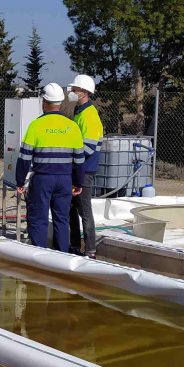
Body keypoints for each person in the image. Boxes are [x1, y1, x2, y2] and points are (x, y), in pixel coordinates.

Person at [15, 83, 85, 252]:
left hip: (42, 179)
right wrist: (78, 183)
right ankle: (62, 256)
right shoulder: (72, 127)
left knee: (39, 219)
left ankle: (40, 257)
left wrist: (20, 181)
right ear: (60, 103)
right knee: (62, 219)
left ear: (44, 102)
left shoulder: (36, 125)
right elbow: (79, 160)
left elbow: (24, 157)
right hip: (65, 179)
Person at [67, 74, 103, 257]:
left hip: (85, 170)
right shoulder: (80, 112)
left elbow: (88, 148)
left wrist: (69, 156)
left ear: (83, 92)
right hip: (78, 168)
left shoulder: (89, 115)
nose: (72, 92)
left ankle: (90, 250)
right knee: (72, 208)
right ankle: (74, 245)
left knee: (84, 210)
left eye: (74, 89)